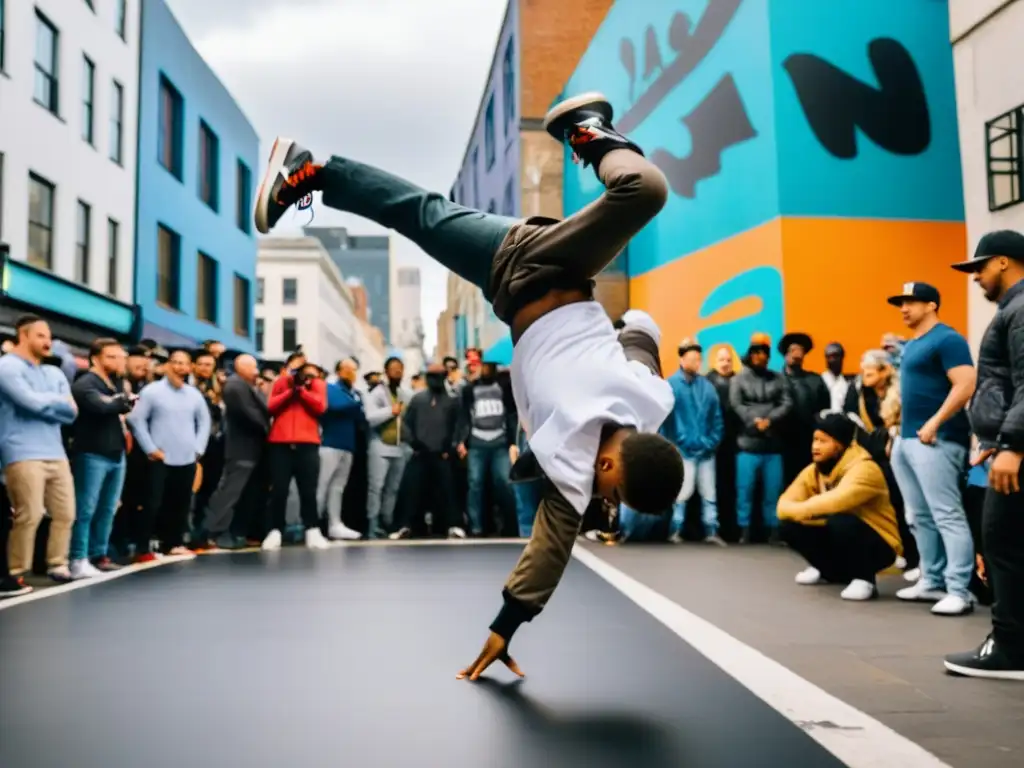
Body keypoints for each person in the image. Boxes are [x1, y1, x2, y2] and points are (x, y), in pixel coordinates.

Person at [253, 91, 683, 679]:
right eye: (615, 494)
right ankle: (588, 131)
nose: (604, 502)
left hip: (510, 267)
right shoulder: (646, 399)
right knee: (647, 191)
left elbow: (548, 553)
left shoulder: (579, 466)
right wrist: (625, 338)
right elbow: (639, 329)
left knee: (419, 214)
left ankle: (313, 171)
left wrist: (503, 629)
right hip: (565, 263)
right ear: (613, 470)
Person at [945, 231, 1024, 678]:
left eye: (978, 267)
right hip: (1007, 447)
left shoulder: (1020, 308)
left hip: (1017, 453)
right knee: (1008, 546)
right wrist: (996, 441)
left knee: (1003, 545)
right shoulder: (1013, 309)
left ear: (1002, 263)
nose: (974, 277)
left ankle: (1011, 650)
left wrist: (1013, 445)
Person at [886, 282, 977, 616]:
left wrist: (935, 421)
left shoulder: (948, 339)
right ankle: (931, 580)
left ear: (932, 304)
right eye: (901, 303)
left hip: (937, 439)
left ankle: (959, 590)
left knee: (947, 513)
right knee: (918, 515)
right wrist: (896, 431)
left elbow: (967, 383)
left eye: (911, 302)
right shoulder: (911, 345)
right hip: (908, 439)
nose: (904, 308)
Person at [778, 413, 902, 601]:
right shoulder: (815, 469)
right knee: (788, 525)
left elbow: (837, 501)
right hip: (843, 536)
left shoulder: (865, 468)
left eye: (823, 441)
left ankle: (864, 579)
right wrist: (800, 513)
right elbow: (783, 506)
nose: (815, 447)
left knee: (841, 521)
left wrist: (803, 511)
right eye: (815, 440)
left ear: (840, 444)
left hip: (881, 544)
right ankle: (826, 570)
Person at [0, 316, 78, 583]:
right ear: (23, 335)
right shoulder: (7, 367)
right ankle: (17, 571)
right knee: (29, 513)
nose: (48, 342)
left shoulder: (53, 373)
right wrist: (59, 401)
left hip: (56, 452)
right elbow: (30, 403)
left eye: (49, 336)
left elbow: (71, 414)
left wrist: (52, 405)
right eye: (41, 336)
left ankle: (58, 564)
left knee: (66, 512)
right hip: (20, 451)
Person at [127, 348, 211, 560]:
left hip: (186, 457)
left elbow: (204, 422)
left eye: (184, 363)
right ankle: (143, 548)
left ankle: (173, 543)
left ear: (189, 367)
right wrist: (150, 448)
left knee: (181, 503)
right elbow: (136, 420)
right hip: (160, 458)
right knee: (152, 503)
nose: (179, 367)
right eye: (175, 362)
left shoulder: (194, 394)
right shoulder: (152, 391)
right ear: (167, 365)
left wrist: (198, 448)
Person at [68, 338, 134, 577]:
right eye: (111, 357)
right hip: (92, 453)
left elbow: (120, 406)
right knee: (86, 509)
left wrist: (122, 401)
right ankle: (78, 557)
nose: (118, 361)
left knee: (107, 509)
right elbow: (103, 407)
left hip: (116, 453)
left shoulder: (115, 382)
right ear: (96, 358)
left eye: (120, 356)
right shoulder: (86, 383)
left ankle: (99, 554)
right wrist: (123, 401)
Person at [260, 354, 331, 551]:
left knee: (308, 490)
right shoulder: (281, 382)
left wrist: (302, 391)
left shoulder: (317, 383)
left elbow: (320, 406)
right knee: (279, 490)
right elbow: (271, 406)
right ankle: (275, 530)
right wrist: (290, 391)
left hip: (307, 443)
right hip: (280, 443)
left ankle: (312, 530)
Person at [664, 339, 724, 545]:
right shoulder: (670, 386)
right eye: (692, 359)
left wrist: (710, 443)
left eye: (698, 359)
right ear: (681, 359)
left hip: (706, 450)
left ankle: (711, 530)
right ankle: (675, 530)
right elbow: (666, 422)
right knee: (682, 492)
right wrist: (674, 446)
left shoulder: (707, 387)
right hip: (681, 450)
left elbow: (717, 419)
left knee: (709, 492)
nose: (696, 363)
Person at [317, 358, 364, 541]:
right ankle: (313, 524)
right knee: (322, 485)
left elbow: (359, 414)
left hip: (347, 445)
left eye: (354, 369)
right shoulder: (331, 388)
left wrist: (355, 402)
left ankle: (335, 524)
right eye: (348, 369)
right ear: (339, 371)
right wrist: (355, 402)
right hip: (330, 443)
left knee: (338, 487)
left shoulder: (351, 393)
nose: (352, 373)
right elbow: (337, 406)